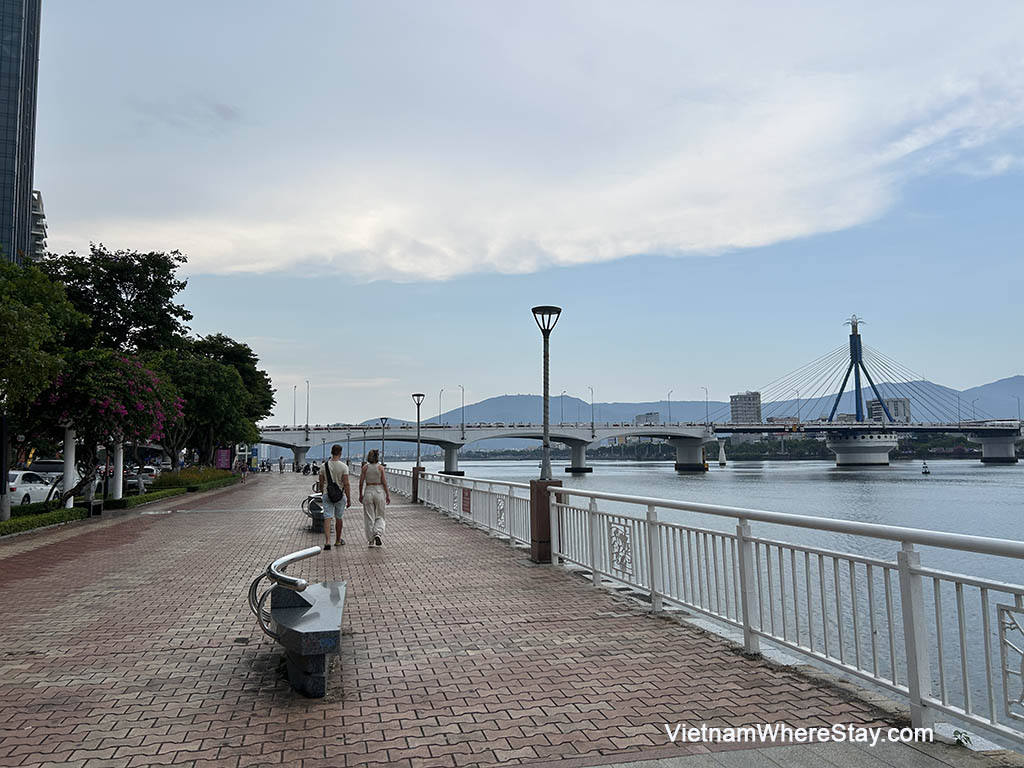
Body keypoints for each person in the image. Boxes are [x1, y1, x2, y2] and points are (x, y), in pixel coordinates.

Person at [317, 445, 352, 550]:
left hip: (327, 494)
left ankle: (327, 541)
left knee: (327, 517)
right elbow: (346, 484)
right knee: (339, 517)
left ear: (331, 452)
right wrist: (349, 498)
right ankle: (338, 540)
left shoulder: (323, 466)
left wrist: (322, 492)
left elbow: (321, 482)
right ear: (340, 453)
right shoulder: (344, 467)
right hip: (340, 495)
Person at [359, 449, 390, 548]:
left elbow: (361, 482)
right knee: (380, 515)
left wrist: (360, 494)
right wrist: (387, 495)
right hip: (379, 491)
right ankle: (378, 533)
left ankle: (371, 541)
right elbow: (384, 482)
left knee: (369, 517)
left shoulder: (365, 468)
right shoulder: (380, 468)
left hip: (368, 490)